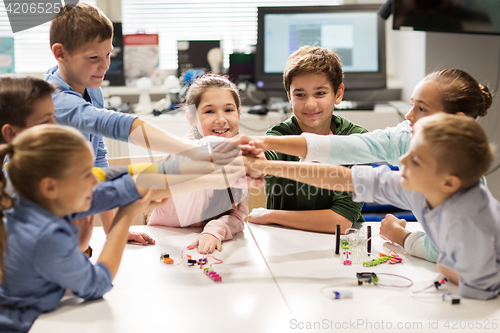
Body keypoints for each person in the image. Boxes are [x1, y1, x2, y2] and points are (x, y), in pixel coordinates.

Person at [0, 124, 246, 332]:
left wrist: (211, 175)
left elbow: (122, 187)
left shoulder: (30, 204)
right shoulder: (48, 235)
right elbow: (97, 284)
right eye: (86, 176)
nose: (95, 181)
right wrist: (125, 217)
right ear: (50, 187)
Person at [233, 68, 492, 263]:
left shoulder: (461, 195)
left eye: (421, 109)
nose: (408, 116)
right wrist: (264, 153)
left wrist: (403, 237)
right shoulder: (407, 138)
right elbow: (346, 171)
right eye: (411, 105)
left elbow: (449, 254)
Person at [245, 113, 500, 300]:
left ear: (448, 181)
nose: (402, 159)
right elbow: (344, 178)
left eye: (416, 159)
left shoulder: (471, 225)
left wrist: (444, 262)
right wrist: (266, 166)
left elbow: (479, 290)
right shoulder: (422, 184)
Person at [44, 3, 236, 245]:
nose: (104, 66)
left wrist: (113, 230)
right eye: (94, 58)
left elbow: (99, 160)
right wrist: (193, 151)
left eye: (108, 55)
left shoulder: (90, 88)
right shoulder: (54, 100)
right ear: (60, 53)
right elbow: (114, 124)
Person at [255, 45, 367, 234]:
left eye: (320, 93)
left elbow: (340, 221)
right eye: (300, 94)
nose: (310, 104)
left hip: (338, 246)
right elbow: (261, 158)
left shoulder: (356, 139)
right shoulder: (278, 136)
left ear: (338, 94)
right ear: (289, 97)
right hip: (282, 242)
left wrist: (270, 215)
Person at [148, 74, 248, 254]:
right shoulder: (181, 154)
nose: (221, 119)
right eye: (209, 111)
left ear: (239, 114)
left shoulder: (238, 159)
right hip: (164, 243)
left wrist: (214, 231)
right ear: (191, 118)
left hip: (210, 248)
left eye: (229, 110)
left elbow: (237, 216)